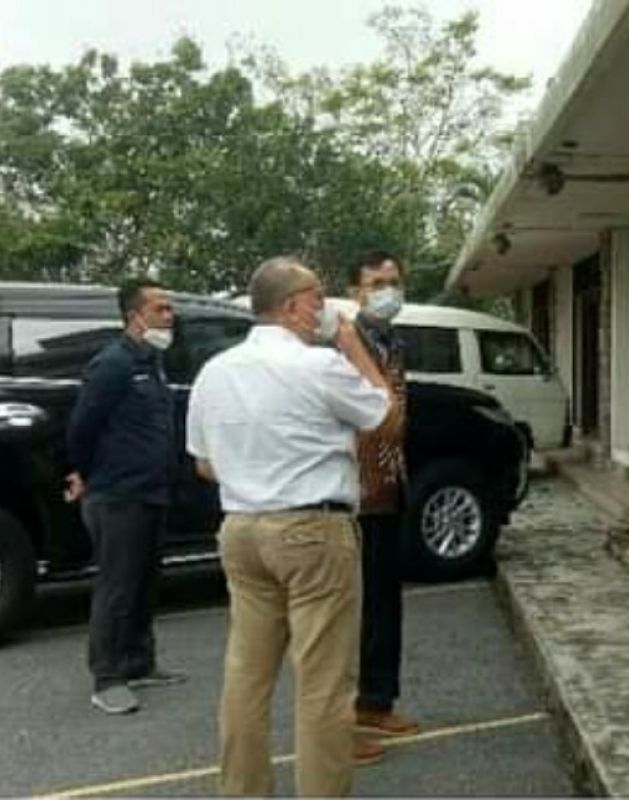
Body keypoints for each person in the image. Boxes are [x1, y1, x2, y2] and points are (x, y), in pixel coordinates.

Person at [187, 257, 394, 796]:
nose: (324, 309)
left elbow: (204, 463)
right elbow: (385, 416)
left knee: (246, 677)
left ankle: (243, 792)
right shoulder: (317, 365)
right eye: (318, 298)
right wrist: (355, 349)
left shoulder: (215, 370)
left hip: (242, 530)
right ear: (292, 306)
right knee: (323, 684)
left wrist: (254, 464)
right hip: (312, 530)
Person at [66, 278, 187, 716]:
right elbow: (82, 427)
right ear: (134, 316)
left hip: (151, 492)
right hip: (117, 494)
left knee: (144, 582)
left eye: (169, 308)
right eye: (161, 309)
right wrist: (83, 472)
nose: (169, 316)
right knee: (117, 587)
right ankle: (107, 676)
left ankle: (139, 661)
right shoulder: (113, 364)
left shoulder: (151, 361)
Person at [345, 251, 421, 741]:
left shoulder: (393, 342)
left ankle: (377, 701)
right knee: (356, 610)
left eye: (393, 282)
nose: (387, 291)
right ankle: (349, 715)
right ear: (356, 292)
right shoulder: (343, 346)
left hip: (390, 489)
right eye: (376, 283)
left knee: (385, 604)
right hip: (355, 494)